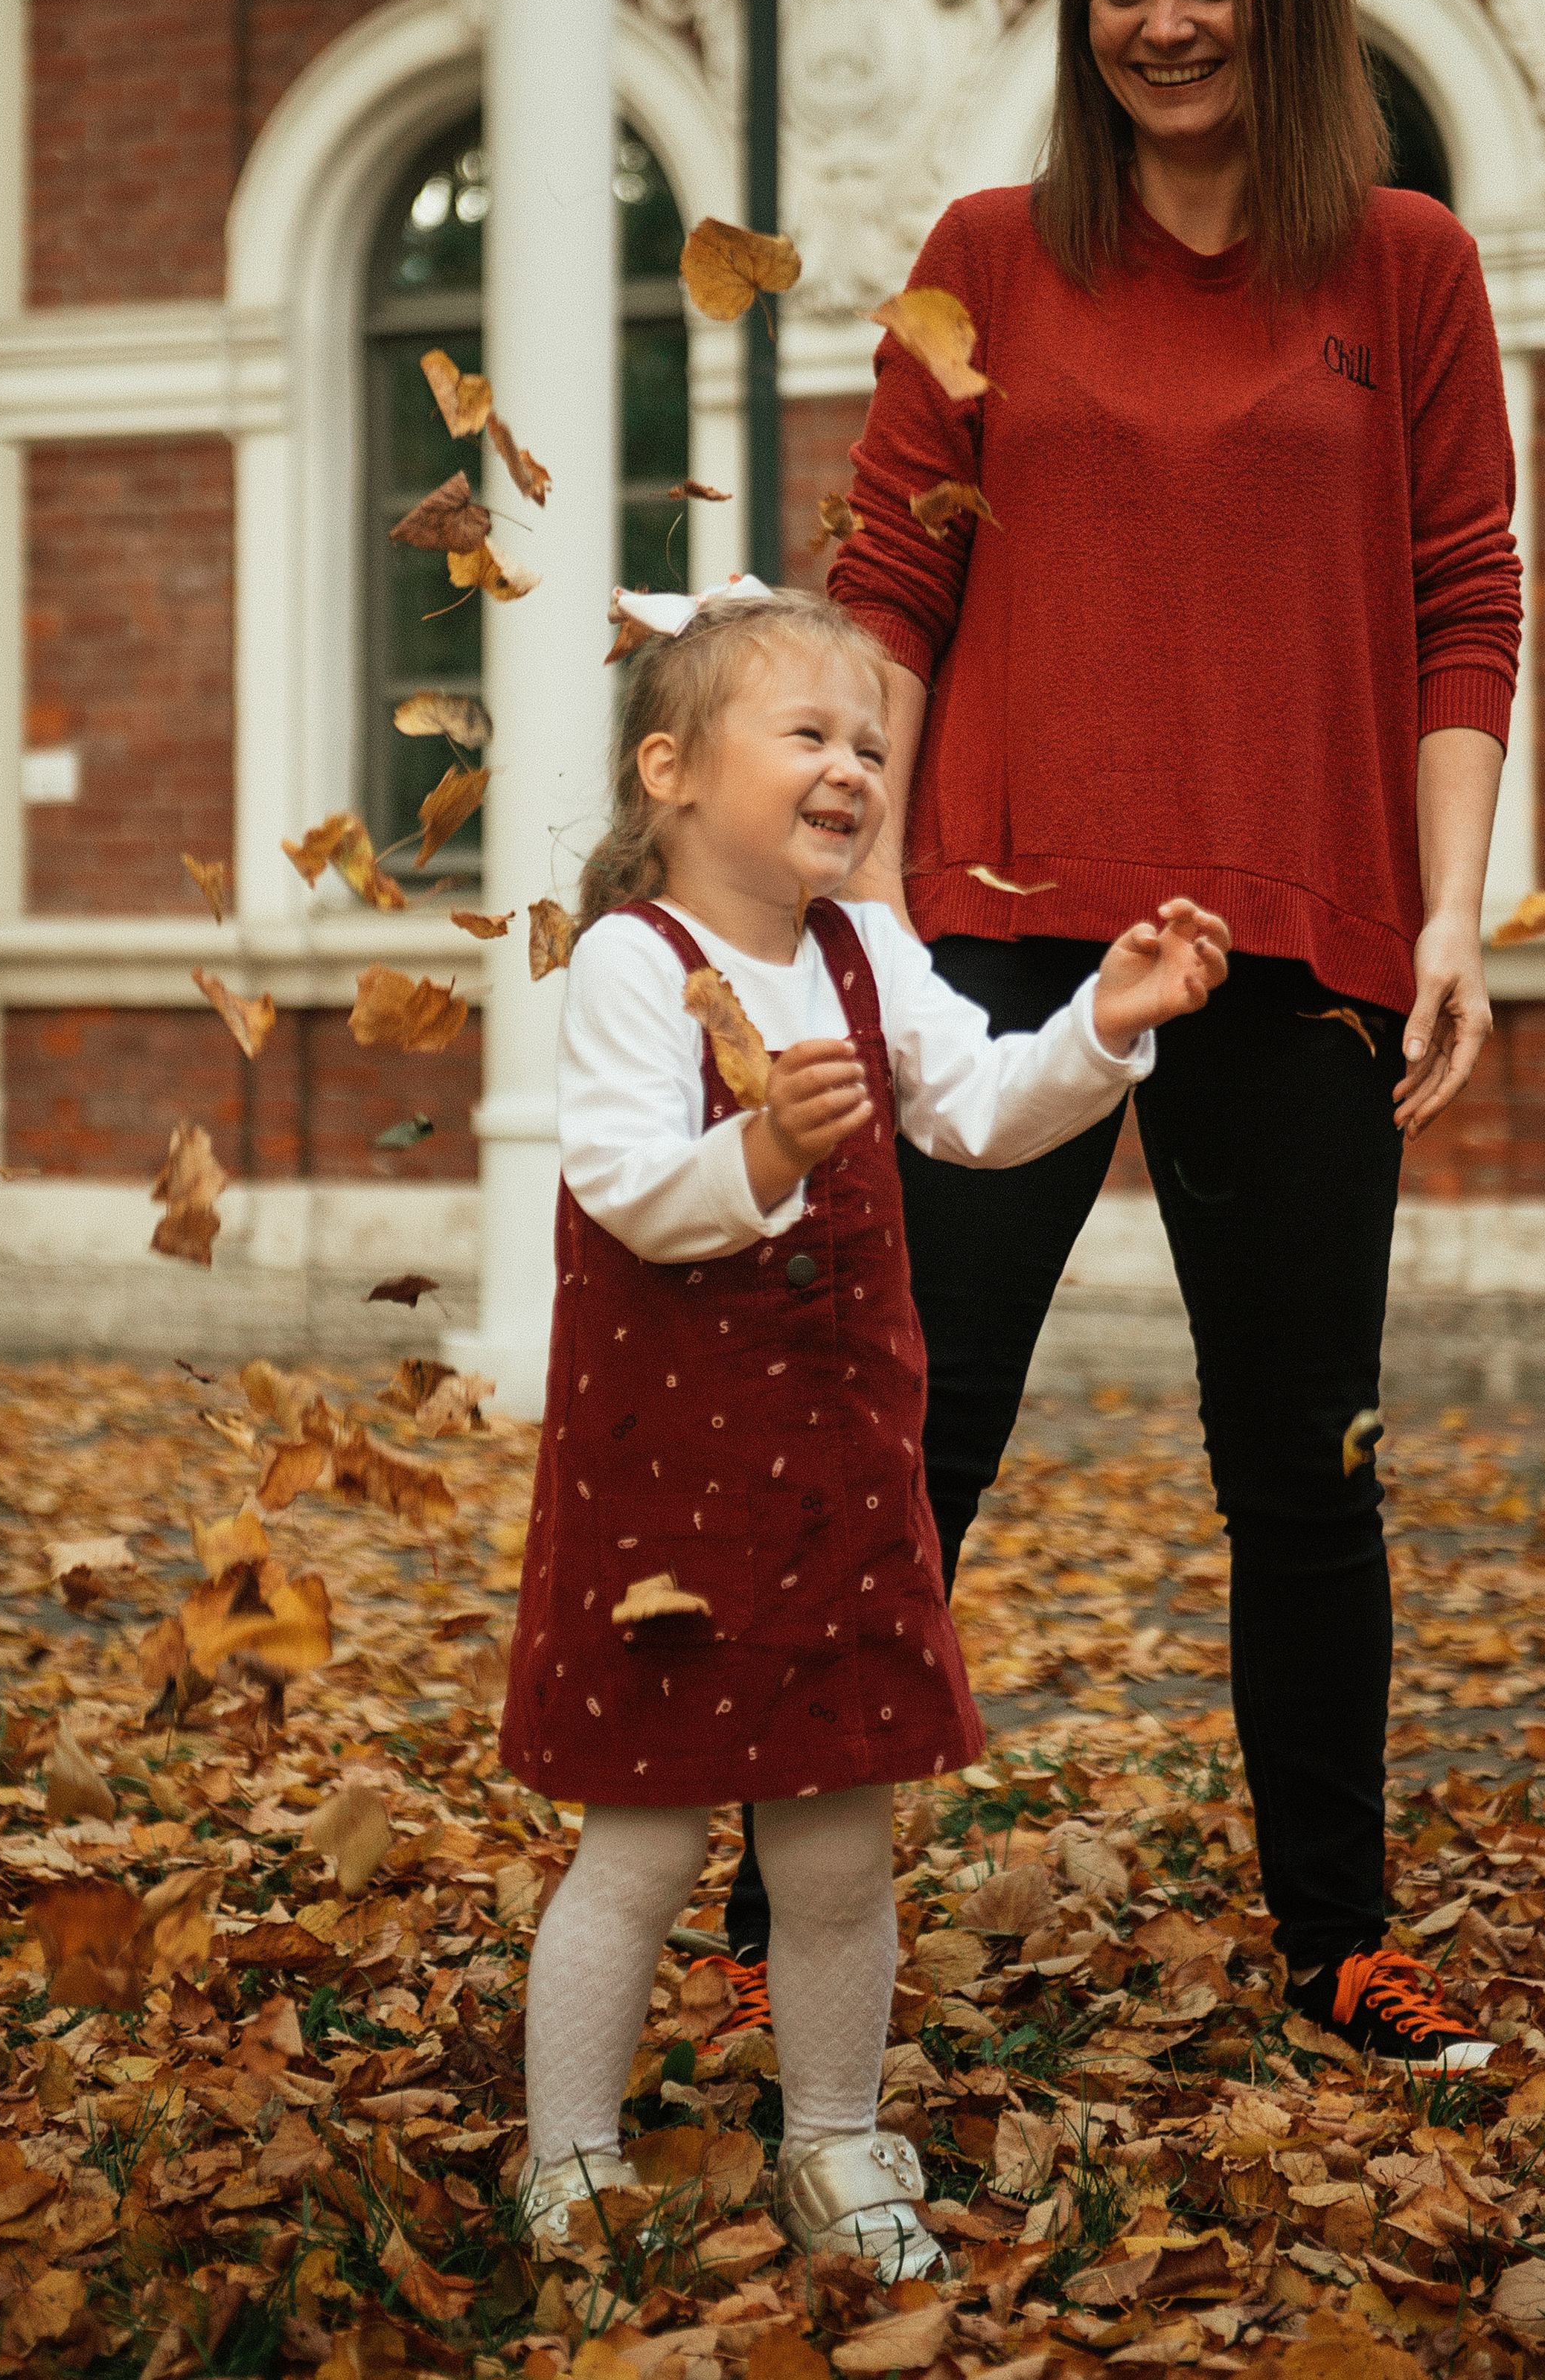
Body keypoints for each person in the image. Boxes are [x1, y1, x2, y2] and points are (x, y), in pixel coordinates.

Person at [774, 0, 1515, 2071]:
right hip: (997, 923)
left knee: (1305, 1455)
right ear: (1085, 11)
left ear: (1282, 2)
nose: (1165, 22)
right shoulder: (991, 251)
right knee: (930, 1430)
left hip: (1304, 934)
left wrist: (1454, 911)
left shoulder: (1404, 264)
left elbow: (1463, 601)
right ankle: (765, 1918)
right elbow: (896, 579)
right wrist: (845, 864)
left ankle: (1340, 1936)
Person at [499, 579, 1228, 2274]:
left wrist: (1100, 1029)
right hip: (666, 1492)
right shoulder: (631, 962)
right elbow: (624, 1193)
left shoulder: (864, 947)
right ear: (670, 770)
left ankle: (831, 2138)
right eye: (809, 734)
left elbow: (973, 1108)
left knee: (834, 1845)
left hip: (834, 1478)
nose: (849, 767)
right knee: (642, 1842)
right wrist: (759, 1156)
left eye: (869, 744)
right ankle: (571, 2155)